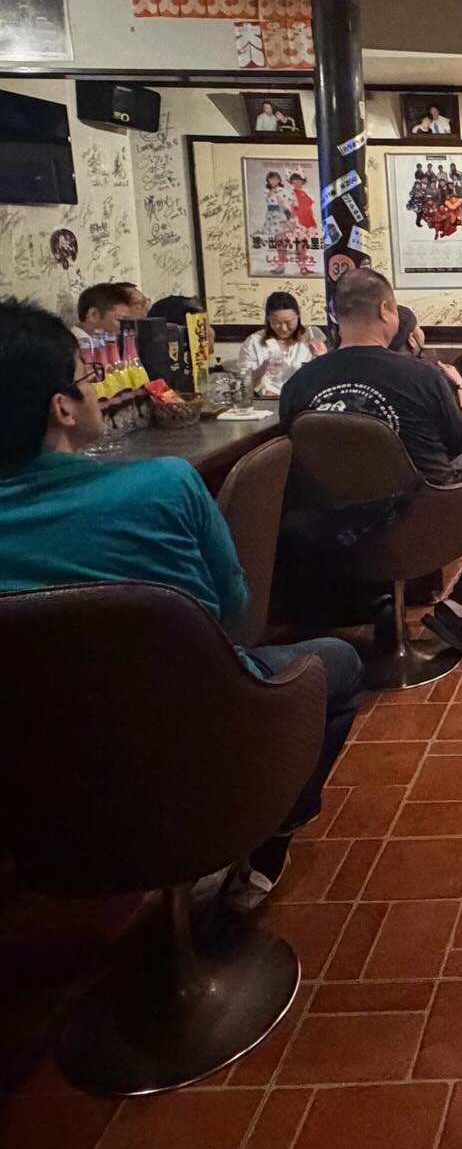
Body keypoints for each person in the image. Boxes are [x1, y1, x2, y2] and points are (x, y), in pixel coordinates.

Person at [0, 297, 363, 909]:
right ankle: (257, 845)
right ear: (62, 407)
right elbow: (232, 609)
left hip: (36, 777)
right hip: (196, 730)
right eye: (89, 378)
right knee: (340, 663)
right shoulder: (165, 485)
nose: (98, 390)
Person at [278, 268, 462, 656]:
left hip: (331, 524)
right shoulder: (420, 375)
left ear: (336, 315)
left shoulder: (300, 383)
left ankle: (375, 604)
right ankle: (456, 612)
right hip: (419, 516)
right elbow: (457, 442)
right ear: (386, 310)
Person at [389, 304, 462, 477]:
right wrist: (460, 386)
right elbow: (461, 434)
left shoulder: (379, 369)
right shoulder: (427, 374)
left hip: (388, 463)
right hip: (426, 464)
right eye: (419, 327)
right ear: (411, 339)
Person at [239, 290, 327, 398]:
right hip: (268, 400)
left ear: (298, 316)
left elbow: (327, 377)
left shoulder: (313, 335)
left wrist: (322, 358)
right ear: (268, 318)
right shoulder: (254, 342)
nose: (284, 328)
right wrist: (261, 370)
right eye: (276, 322)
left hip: (305, 399)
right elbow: (243, 383)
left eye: (289, 322)